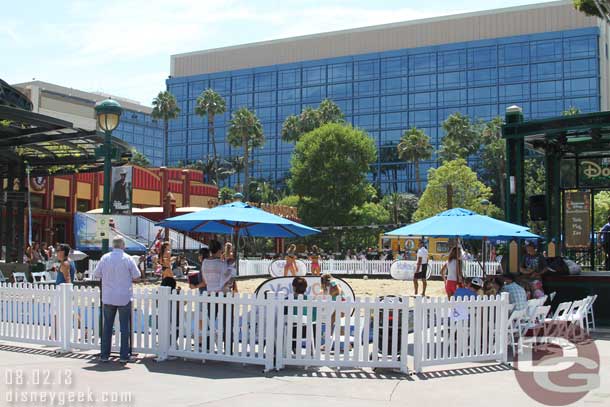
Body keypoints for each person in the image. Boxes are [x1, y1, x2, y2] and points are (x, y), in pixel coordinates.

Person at [94, 236, 140, 363]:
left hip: (108, 296)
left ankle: (104, 354)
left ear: (112, 245)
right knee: (124, 327)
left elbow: (96, 274)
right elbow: (137, 275)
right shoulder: (128, 258)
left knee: (107, 326)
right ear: (123, 245)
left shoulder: (105, 258)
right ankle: (124, 356)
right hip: (124, 296)